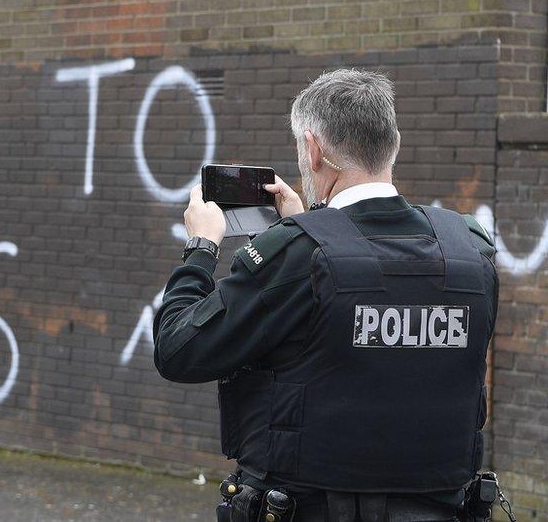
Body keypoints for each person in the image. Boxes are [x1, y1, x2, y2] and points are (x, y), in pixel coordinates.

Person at [153, 69, 500, 521]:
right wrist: (312, 225)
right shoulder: (469, 250)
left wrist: (202, 246)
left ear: (314, 149)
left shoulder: (299, 258)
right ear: (392, 143)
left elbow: (179, 348)